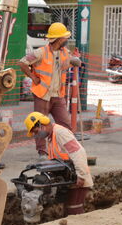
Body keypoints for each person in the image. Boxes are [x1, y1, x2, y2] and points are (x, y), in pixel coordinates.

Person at [18, 22, 81, 159]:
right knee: (40, 125)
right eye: (65, 38)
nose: (66, 40)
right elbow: (22, 63)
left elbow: (70, 62)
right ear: (58, 39)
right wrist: (33, 77)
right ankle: (42, 151)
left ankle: (69, 150)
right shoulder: (41, 52)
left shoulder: (65, 52)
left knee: (65, 124)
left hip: (58, 95)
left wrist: (75, 60)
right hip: (42, 95)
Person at [24, 111, 93, 215]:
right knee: (67, 210)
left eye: (36, 131)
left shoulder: (60, 133)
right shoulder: (51, 136)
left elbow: (78, 152)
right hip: (67, 177)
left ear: (41, 124)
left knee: (74, 209)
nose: (36, 134)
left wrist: (81, 175)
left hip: (77, 178)